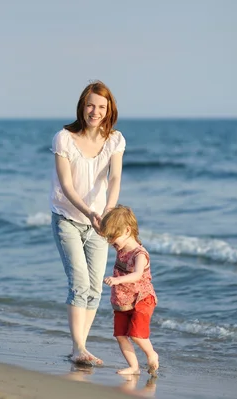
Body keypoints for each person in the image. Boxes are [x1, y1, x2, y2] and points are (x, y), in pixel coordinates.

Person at [50, 80, 126, 366]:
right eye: (90, 105)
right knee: (79, 281)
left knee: (95, 286)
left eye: (102, 107)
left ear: (109, 110)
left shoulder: (115, 139)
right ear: (82, 106)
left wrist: (107, 210)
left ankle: (81, 347)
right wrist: (90, 212)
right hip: (68, 218)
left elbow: (115, 177)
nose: (95, 111)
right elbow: (66, 184)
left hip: (99, 222)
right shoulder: (64, 138)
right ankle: (78, 346)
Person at [100, 205, 159, 375]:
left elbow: (138, 274)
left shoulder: (139, 254)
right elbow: (106, 231)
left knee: (136, 334)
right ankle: (134, 367)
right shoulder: (120, 247)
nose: (110, 241)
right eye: (108, 237)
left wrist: (118, 280)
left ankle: (151, 354)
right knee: (120, 335)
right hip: (122, 300)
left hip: (142, 298)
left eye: (113, 237)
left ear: (127, 230)